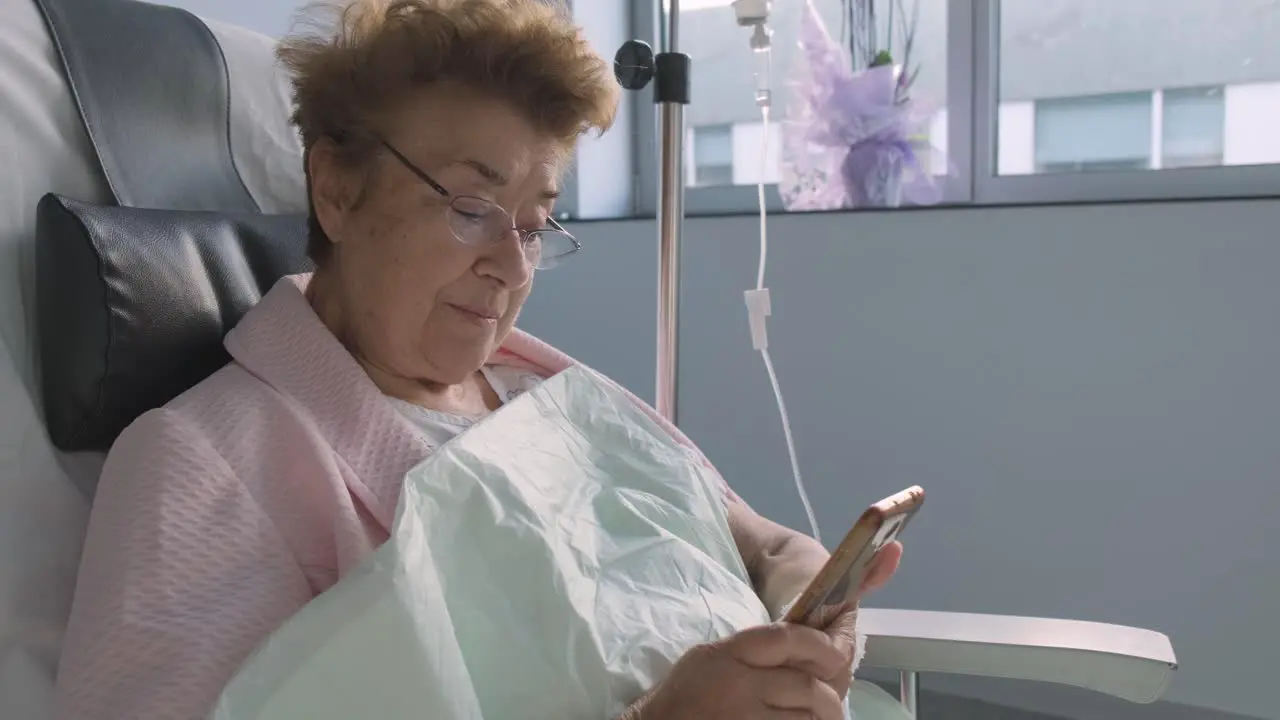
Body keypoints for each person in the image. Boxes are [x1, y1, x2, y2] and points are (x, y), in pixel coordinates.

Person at [52, 1, 905, 718]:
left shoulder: (556, 391)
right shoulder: (208, 463)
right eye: (471, 207)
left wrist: (802, 599)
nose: (513, 264)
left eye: (534, 223)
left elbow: (760, 541)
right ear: (338, 191)